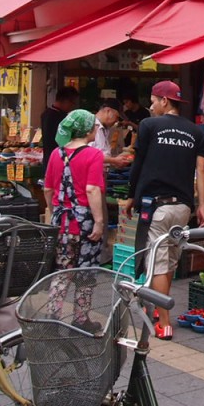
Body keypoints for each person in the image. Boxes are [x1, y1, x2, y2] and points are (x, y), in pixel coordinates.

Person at [125, 81, 204, 341]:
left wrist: (130, 196)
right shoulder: (196, 132)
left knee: (159, 263)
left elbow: (138, 163)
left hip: (157, 207)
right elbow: (201, 171)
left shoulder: (149, 125)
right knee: (169, 259)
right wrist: (202, 204)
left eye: (153, 100)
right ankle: (155, 307)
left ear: (164, 101)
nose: (150, 106)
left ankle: (164, 322)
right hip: (183, 207)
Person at [44, 109, 107, 271]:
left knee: (61, 274)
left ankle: (56, 298)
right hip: (84, 225)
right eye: (94, 127)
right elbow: (92, 189)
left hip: (62, 224)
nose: (96, 130)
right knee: (84, 277)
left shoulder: (55, 153)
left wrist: (55, 213)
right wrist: (99, 223)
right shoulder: (94, 155)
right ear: (87, 130)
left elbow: (47, 189)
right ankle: (80, 298)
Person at [41, 86, 79, 171]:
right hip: (58, 162)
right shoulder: (57, 117)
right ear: (65, 101)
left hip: (49, 161)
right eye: (72, 103)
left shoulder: (46, 113)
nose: (73, 106)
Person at [92, 98, 132, 167]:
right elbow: (88, 155)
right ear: (108, 111)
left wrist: (115, 160)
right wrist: (114, 160)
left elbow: (103, 153)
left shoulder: (105, 129)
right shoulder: (91, 126)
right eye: (116, 117)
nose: (116, 121)